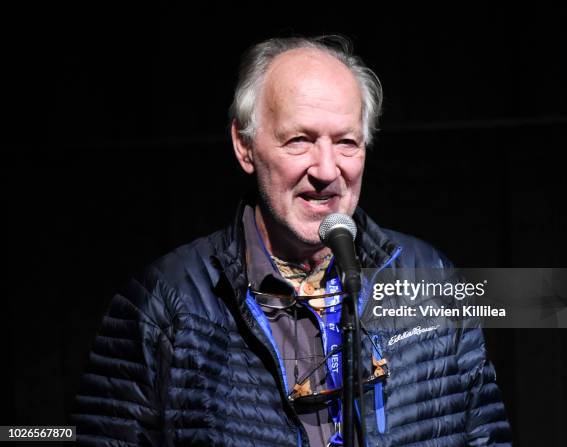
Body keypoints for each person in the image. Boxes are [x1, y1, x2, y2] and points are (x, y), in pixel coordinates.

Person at [70, 36, 512, 446]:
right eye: (299, 141)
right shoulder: (165, 304)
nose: (325, 169)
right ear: (244, 146)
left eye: (346, 143)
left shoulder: (430, 277)